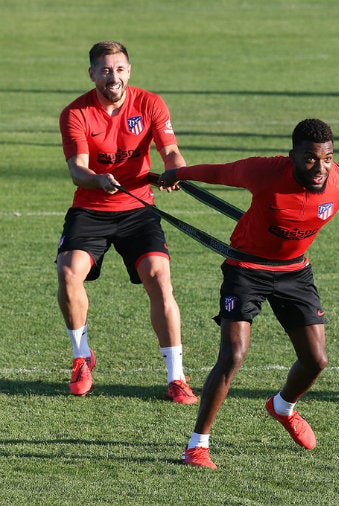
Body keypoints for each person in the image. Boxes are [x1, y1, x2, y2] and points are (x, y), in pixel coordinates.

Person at [157, 118, 339, 469]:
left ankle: (282, 407)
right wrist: (179, 175)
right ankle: (197, 445)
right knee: (233, 354)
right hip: (246, 271)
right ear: (293, 155)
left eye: (327, 158)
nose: (320, 167)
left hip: (295, 273)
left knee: (316, 360)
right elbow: (221, 172)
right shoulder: (263, 171)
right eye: (310, 158)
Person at [57, 41, 196, 404]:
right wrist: (98, 179)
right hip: (91, 209)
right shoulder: (76, 113)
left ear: (129, 71)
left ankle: (176, 376)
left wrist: (173, 170)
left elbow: (170, 151)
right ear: (92, 74)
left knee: (159, 277)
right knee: (69, 271)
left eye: (119, 69)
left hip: (138, 209)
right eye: (105, 70)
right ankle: (81, 357)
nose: (113, 77)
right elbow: (77, 170)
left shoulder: (150, 103)